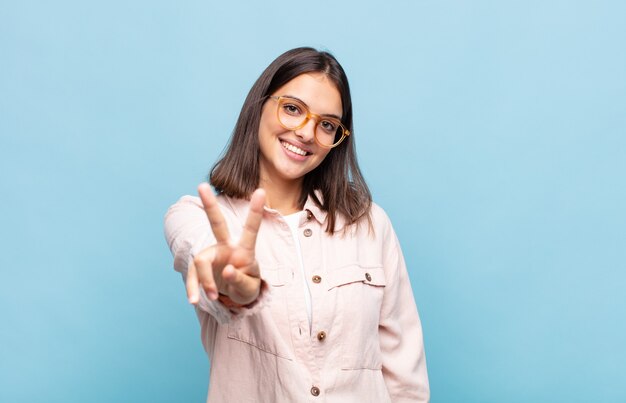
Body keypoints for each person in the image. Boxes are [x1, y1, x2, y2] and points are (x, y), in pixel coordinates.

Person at [164, 47, 430, 402]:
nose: (306, 133)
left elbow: (404, 374)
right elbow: (210, 270)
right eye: (292, 109)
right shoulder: (194, 217)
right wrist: (235, 285)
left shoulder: (370, 224)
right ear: (259, 105)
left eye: (327, 125)